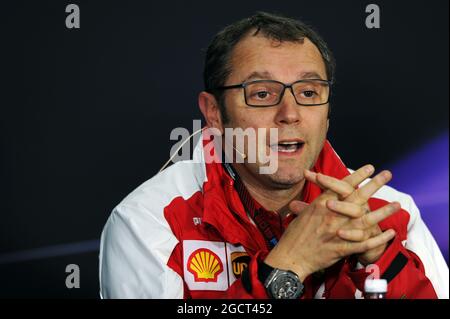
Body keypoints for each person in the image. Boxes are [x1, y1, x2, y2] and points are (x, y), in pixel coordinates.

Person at [99, 12, 448, 299]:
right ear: (214, 112)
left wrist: (380, 263)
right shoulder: (149, 221)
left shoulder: (388, 213)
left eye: (309, 92)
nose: (290, 113)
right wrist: (288, 265)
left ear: (327, 111)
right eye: (262, 93)